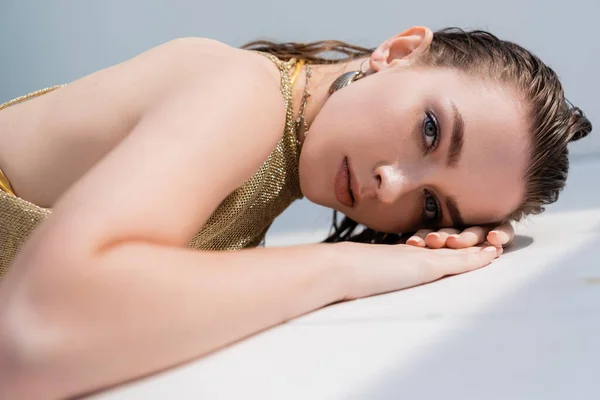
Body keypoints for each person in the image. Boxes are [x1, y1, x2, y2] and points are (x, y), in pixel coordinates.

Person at [0, 26, 591, 398]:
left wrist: (454, 249)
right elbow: (34, 336)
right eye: (430, 130)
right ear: (401, 52)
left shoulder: (277, 161)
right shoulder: (240, 92)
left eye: (432, 207)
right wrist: (347, 267)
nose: (392, 187)